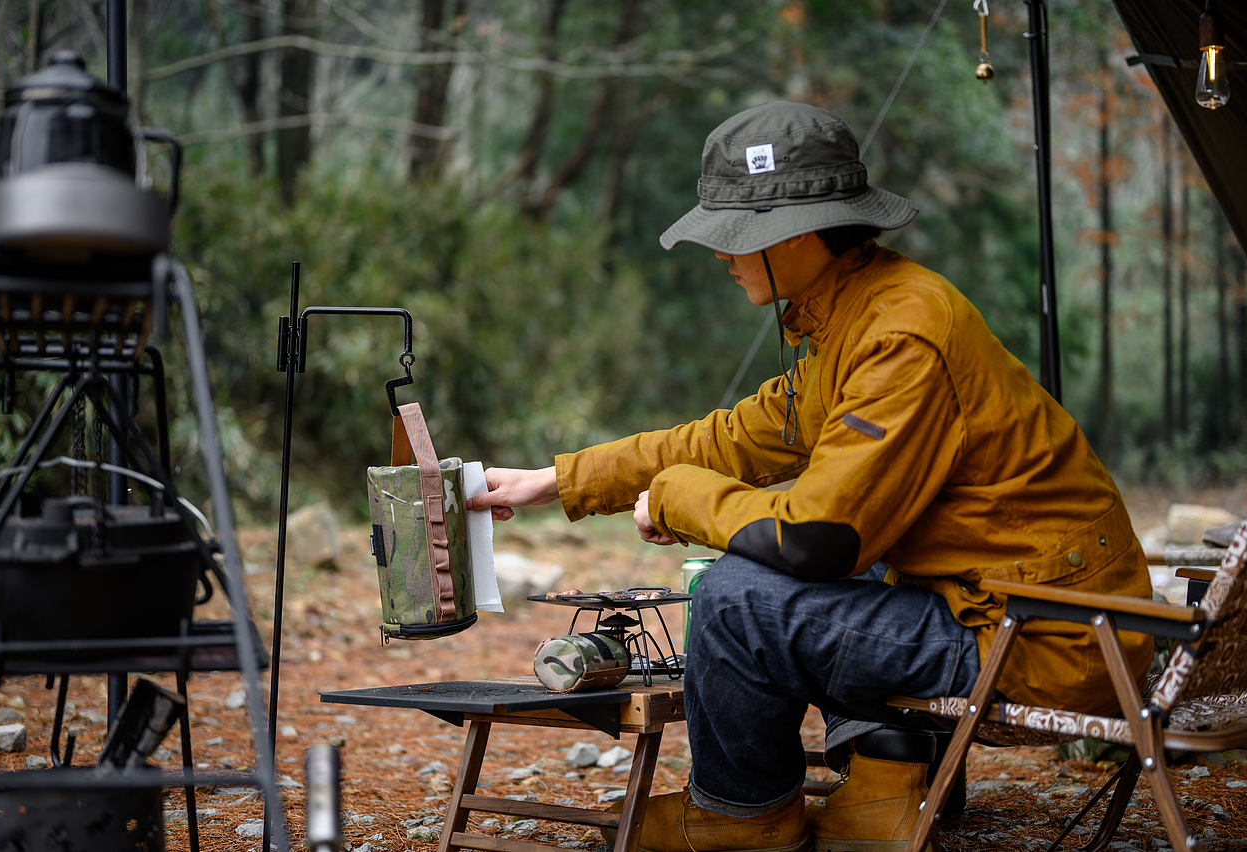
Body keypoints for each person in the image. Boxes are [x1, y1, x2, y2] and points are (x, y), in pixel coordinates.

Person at [466, 102, 1152, 852]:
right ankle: (883, 792)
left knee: (736, 599)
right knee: (827, 575)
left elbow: (822, 539)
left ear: (794, 234)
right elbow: (733, 438)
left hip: (1048, 639)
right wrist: (557, 481)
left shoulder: (899, 332)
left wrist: (678, 498)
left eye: (736, 236)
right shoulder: (852, 314)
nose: (722, 254)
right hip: (1020, 611)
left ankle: (742, 817)